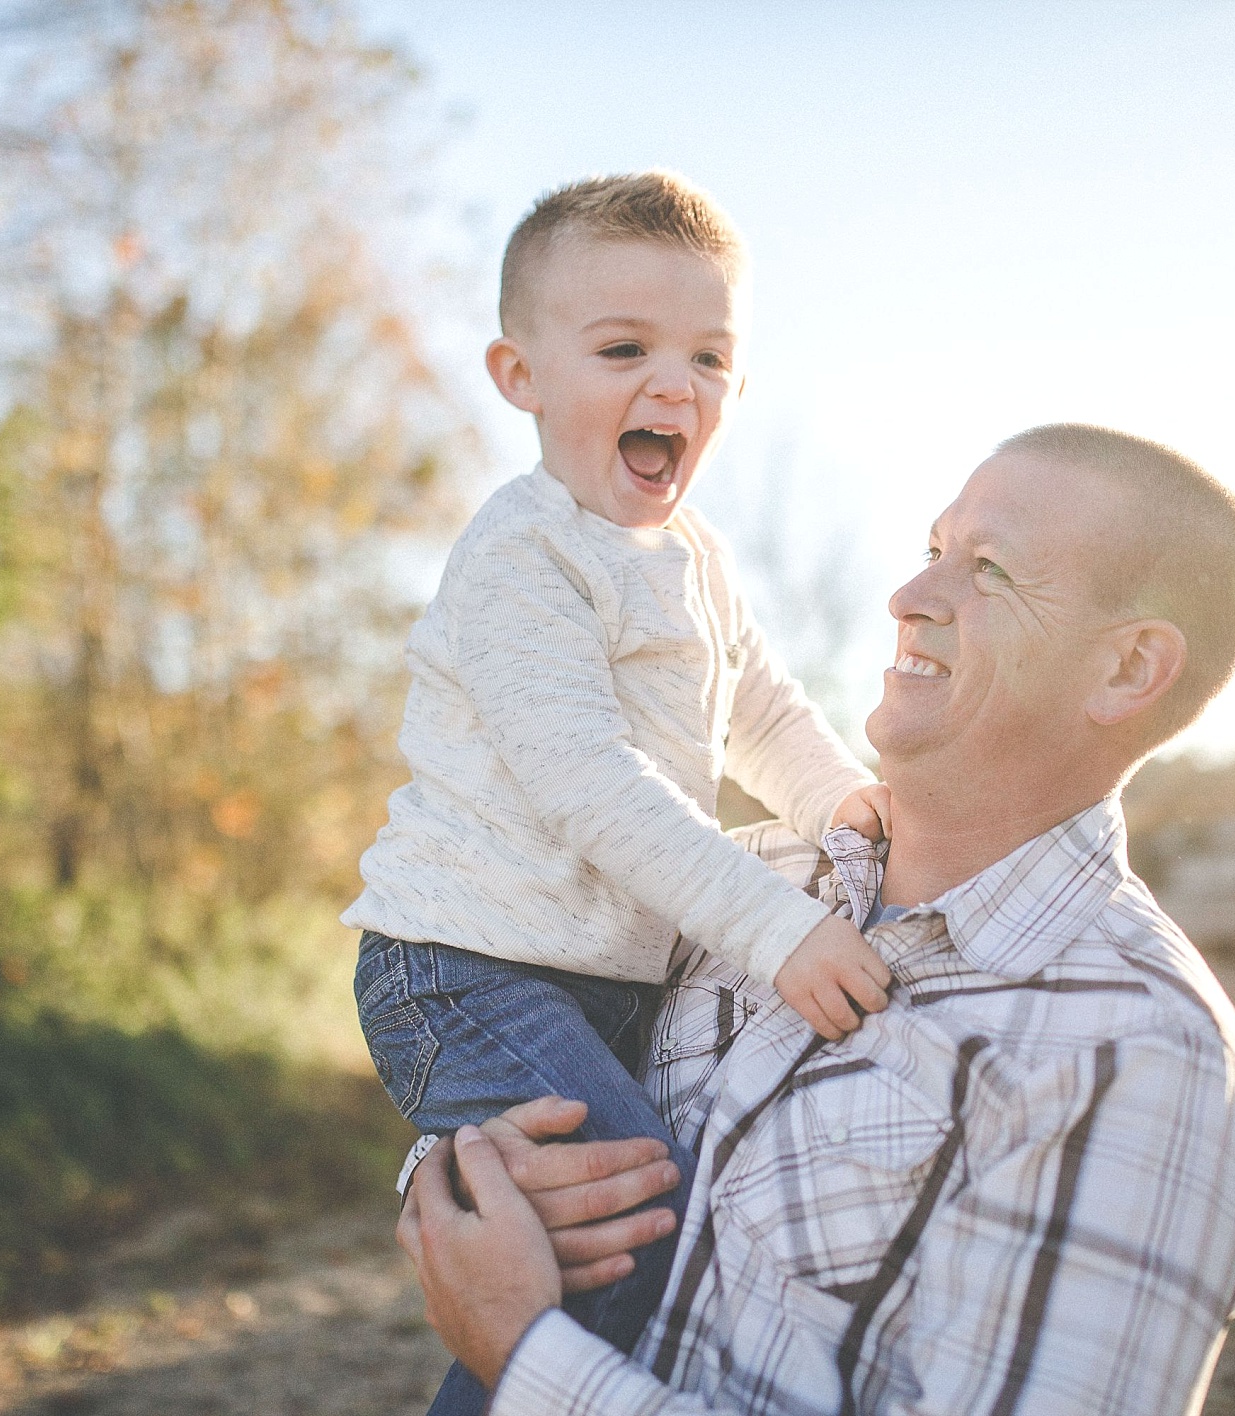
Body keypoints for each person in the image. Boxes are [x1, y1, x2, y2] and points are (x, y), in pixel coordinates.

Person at [398, 425, 1235, 1416]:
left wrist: (526, 1360)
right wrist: (467, 1175)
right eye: (931, 550)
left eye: (986, 568)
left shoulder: (1142, 1060)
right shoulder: (736, 883)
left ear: (1126, 670)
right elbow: (501, 1035)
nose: (911, 598)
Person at [342, 172, 897, 1413]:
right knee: (627, 1217)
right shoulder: (523, 554)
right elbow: (590, 786)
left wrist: (842, 804)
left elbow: (761, 711)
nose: (672, 385)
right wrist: (777, 926)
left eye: (709, 356)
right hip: (463, 966)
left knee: (624, 1237)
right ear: (520, 376)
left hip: (594, 981)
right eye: (623, 349)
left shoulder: (693, 558)